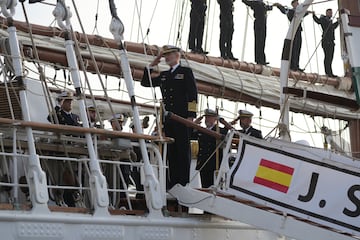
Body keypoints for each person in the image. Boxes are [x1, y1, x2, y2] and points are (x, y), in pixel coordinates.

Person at [141, 45, 198, 188]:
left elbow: (192, 95)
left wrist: (191, 116)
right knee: (171, 151)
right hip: (168, 119)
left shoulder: (185, 72)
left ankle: (183, 183)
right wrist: (153, 63)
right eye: (165, 56)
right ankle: (172, 183)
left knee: (182, 150)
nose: (167, 58)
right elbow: (145, 82)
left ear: (177, 55)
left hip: (182, 118)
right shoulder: (165, 75)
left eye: (170, 55)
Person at [193, 109, 228, 188]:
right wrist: (194, 123)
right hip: (203, 163)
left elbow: (229, 130)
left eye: (209, 117)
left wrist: (222, 120)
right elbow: (189, 134)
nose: (207, 119)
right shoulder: (201, 130)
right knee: (204, 186)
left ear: (215, 119)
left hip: (214, 164)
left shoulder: (220, 130)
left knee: (215, 187)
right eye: (206, 117)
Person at [276, 0, 311, 71]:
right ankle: (292, 65)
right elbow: (284, 11)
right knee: (293, 48)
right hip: (293, 31)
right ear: (293, 4)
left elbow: (303, 13)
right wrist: (278, 6)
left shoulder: (300, 11)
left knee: (298, 47)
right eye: (296, 3)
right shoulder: (291, 11)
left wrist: (308, 12)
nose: (298, 4)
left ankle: (296, 65)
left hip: (298, 31)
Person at [242, 0, 276, 65]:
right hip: (258, 23)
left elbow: (268, 8)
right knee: (258, 41)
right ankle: (259, 59)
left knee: (262, 41)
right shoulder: (256, 3)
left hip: (263, 23)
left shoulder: (262, 4)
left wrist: (273, 6)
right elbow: (247, 2)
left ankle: (262, 59)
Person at [312, 9, 339, 77]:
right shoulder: (323, 19)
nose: (331, 14)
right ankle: (328, 72)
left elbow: (333, 27)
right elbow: (318, 21)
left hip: (331, 41)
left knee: (330, 58)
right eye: (329, 13)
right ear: (326, 13)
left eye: (331, 13)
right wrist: (314, 15)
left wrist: (338, 22)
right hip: (326, 41)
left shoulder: (330, 21)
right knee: (328, 57)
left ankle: (330, 72)